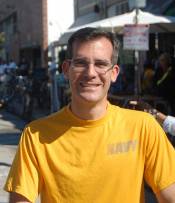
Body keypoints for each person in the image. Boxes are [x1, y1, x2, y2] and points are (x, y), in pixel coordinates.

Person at [4, 27, 175, 203]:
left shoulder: (143, 128)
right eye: (80, 63)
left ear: (114, 73)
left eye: (100, 64)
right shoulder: (36, 135)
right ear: (66, 69)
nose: (90, 73)